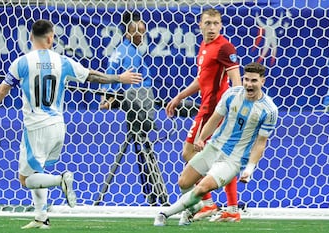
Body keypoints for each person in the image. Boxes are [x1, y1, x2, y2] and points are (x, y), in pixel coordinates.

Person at [0, 19, 142, 229]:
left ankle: (61, 180)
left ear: (30, 37)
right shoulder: (62, 61)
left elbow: (1, 91)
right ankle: (42, 217)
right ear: (51, 39)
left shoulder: (22, 62)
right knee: (39, 172)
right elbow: (91, 76)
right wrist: (118, 78)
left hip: (35, 127)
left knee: (25, 179)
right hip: (58, 126)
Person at [154, 62, 278, 226]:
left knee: (202, 187)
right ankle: (195, 206)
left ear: (263, 81)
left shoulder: (269, 110)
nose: (248, 84)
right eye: (246, 79)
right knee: (184, 182)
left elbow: (261, 143)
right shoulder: (232, 95)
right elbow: (215, 119)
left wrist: (249, 168)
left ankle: (164, 214)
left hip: (233, 159)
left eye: (254, 81)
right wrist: (201, 138)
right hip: (213, 147)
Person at [165, 8, 242, 222]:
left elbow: (236, 81)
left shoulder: (225, 47)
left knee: (190, 153)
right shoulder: (204, 46)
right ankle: (229, 207)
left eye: (215, 23)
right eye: (207, 23)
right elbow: (203, 80)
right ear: (200, 25)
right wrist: (179, 96)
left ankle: (210, 204)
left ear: (221, 25)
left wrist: (234, 112)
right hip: (205, 108)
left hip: (215, 111)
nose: (211, 28)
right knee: (214, 158)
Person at [100, 11, 163, 205]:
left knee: (140, 147)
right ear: (128, 31)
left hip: (136, 105)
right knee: (143, 147)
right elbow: (120, 77)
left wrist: (108, 95)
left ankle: (152, 194)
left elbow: (111, 73)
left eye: (144, 31)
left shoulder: (124, 50)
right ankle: (154, 195)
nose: (142, 35)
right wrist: (110, 97)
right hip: (137, 107)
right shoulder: (129, 53)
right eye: (139, 31)